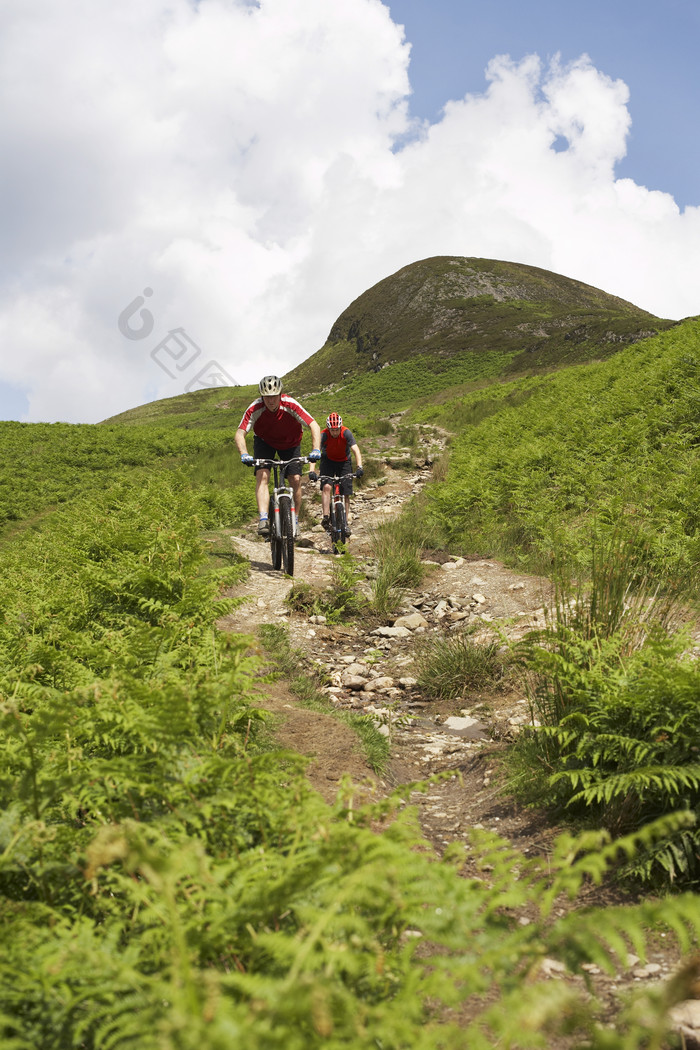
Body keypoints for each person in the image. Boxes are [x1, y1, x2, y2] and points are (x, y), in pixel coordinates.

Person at [236, 375, 322, 536]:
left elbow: (314, 425)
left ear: (280, 394)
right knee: (262, 476)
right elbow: (240, 433)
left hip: (291, 443)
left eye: (274, 396)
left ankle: (295, 520)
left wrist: (316, 449)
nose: (271, 401)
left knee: (295, 479)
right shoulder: (255, 408)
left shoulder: (290, 404)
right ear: (262, 396)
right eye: (267, 397)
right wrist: (244, 453)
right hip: (265, 442)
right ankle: (263, 520)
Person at [319, 412, 363, 535]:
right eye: (332, 430)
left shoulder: (346, 433)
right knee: (327, 487)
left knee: (346, 491)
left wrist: (359, 467)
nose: (334, 432)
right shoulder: (324, 435)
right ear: (328, 428)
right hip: (327, 461)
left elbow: (355, 450)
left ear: (340, 427)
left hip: (344, 462)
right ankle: (326, 517)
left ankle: (345, 523)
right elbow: (315, 452)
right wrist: (312, 470)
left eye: (336, 429)